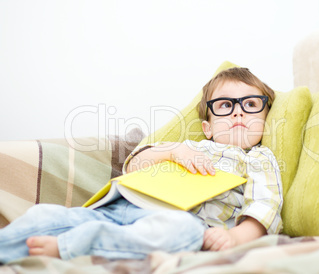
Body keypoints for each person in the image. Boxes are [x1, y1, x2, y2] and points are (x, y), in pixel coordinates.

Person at [0, 67, 283, 263]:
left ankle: (74, 245)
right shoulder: (190, 145)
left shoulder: (258, 159)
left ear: (265, 117)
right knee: (43, 217)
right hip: (121, 207)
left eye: (250, 104)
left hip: (179, 220)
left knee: (181, 233)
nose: (237, 112)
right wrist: (175, 151)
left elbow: (264, 207)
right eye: (225, 106)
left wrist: (233, 238)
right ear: (207, 128)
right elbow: (134, 165)